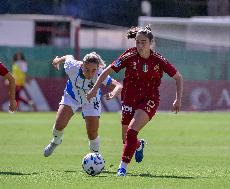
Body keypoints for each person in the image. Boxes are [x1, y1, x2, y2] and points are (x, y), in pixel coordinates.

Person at [86, 25, 183, 176]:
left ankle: (122, 168)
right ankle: (138, 145)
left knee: (131, 132)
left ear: (150, 42)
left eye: (143, 42)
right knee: (126, 139)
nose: (139, 45)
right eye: (137, 42)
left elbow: (178, 77)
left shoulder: (158, 60)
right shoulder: (129, 56)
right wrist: (94, 90)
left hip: (149, 100)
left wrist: (178, 99)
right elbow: (106, 71)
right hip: (129, 99)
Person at [43, 52, 122, 157]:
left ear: (98, 68)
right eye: (87, 70)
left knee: (92, 133)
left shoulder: (100, 73)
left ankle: (95, 157)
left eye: (93, 70)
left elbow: (118, 86)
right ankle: (55, 141)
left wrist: (113, 93)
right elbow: (68, 57)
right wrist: (57, 60)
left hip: (91, 101)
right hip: (72, 97)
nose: (90, 74)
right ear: (82, 65)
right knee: (59, 125)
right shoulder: (72, 67)